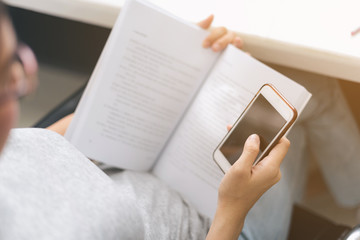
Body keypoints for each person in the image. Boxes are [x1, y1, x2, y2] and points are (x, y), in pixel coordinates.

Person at [0, 3, 290, 239]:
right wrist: (234, 208)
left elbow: (50, 149)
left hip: (159, 170)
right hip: (219, 222)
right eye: (7, 73)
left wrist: (173, 64)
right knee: (313, 99)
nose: (23, 79)